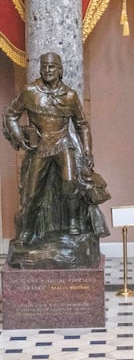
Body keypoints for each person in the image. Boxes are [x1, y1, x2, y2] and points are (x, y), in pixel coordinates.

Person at [3, 52, 109, 248]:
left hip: (63, 144)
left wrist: (87, 150)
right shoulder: (30, 92)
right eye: (44, 66)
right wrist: (19, 136)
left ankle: (73, 222)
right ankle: (28, 229)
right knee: (32, 191)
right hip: (40, 148)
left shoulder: (69, 96)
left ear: (60, 70)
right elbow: (11, 115)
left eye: (52, 66)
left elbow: (82, 125)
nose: (47, 70)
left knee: (70, 182)